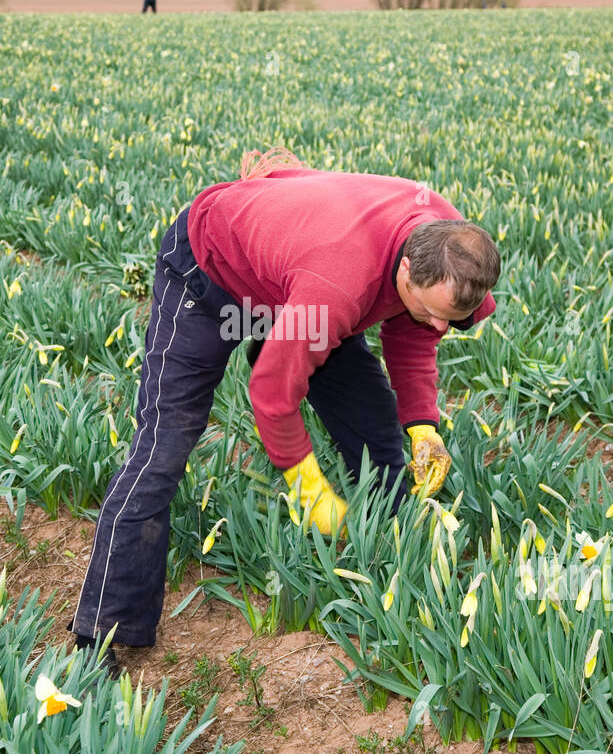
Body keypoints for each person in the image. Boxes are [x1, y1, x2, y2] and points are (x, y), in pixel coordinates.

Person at [69, 149, 500, 672]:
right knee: (162, 449)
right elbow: (271, 393)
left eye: (447, 319)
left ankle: (395, 566)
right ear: (405, 267)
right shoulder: (338, 285)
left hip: (296, 280)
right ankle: (100, 634)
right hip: (211, 276)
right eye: (430, 312)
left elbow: (412, 335)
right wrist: (307, 484)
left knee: (380, 438)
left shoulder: (450, 255)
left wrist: (423, 425)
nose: (437, 327)